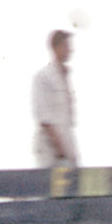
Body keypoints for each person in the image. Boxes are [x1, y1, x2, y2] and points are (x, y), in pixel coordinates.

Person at [32, 29, 79, 168]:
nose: (69, 50)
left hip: (67, 144)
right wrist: (60, 152)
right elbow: (44, 118)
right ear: (55, 48)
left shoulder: (65, 76)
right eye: (65, 46)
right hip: (50, 151)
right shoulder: (44, 76)